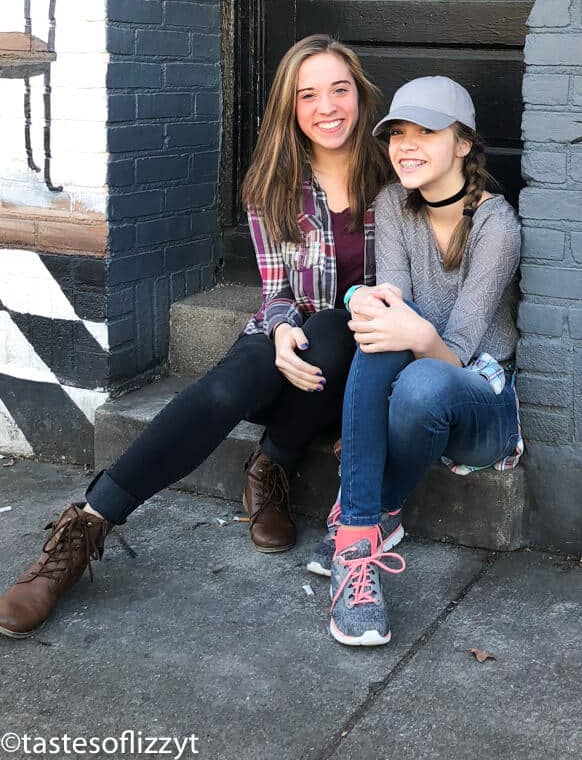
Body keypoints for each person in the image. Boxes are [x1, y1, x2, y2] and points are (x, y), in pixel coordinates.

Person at [0, 34, 391, 640]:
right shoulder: (273, 184)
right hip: (287, 340)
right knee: (225, 388)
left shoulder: (393, 174)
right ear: (291, 107)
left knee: (339, 329)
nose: (327, 107)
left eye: (339, 89)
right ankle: (85, 527)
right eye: (307, 94)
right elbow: (275, 290)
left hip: (352, 354)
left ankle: (273, 464)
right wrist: (284, 332)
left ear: (360, 96)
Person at [315, 76, 523, 646]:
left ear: (462, 144)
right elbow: (393, 306)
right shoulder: (392, 204)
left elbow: (457, 349)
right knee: (380, 342)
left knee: (424, 379)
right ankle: (359, 539)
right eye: (397, 134)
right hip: (414, 383)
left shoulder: (496, 225)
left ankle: (369, 510)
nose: (406, 145)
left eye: (426, 132)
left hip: (483, 404)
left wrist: (408, 327)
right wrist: (369, 305)